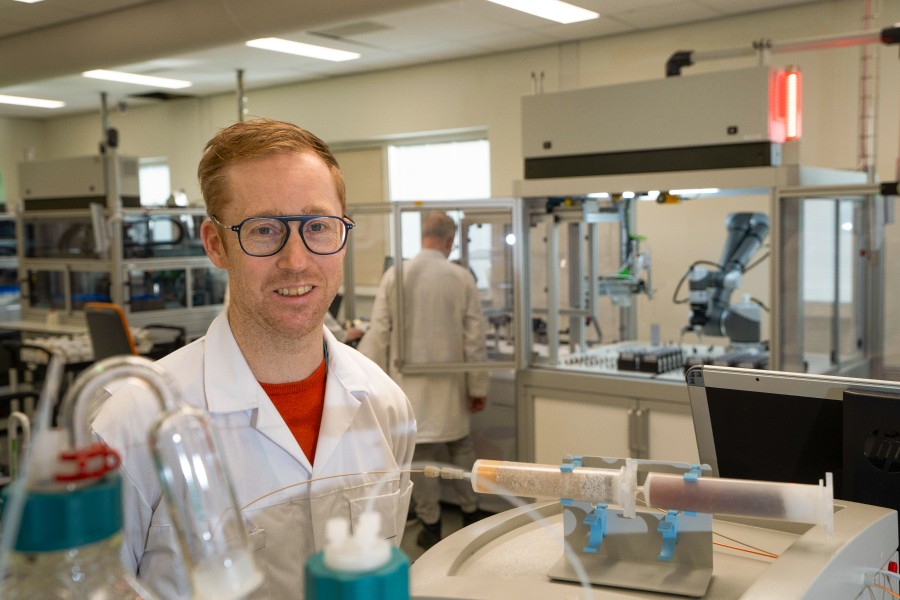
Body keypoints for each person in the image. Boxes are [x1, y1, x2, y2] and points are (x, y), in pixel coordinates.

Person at [90, 118, 416, 599]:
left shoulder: (386, 406)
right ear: (215, 244)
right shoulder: (132, 427)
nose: (297, 261)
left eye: (318, 227)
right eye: (264, 230)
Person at [358, 211, 489, 550]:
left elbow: (378, 334)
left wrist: (368, 387)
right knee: (461, 450)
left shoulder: (396, 275)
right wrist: (478, 387)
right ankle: (472, 512)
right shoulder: (461, 277)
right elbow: (475, 339)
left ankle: (431, 524)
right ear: (450, 240)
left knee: (421, 460)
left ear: (422, 236)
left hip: (408, 389)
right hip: (451, 389)